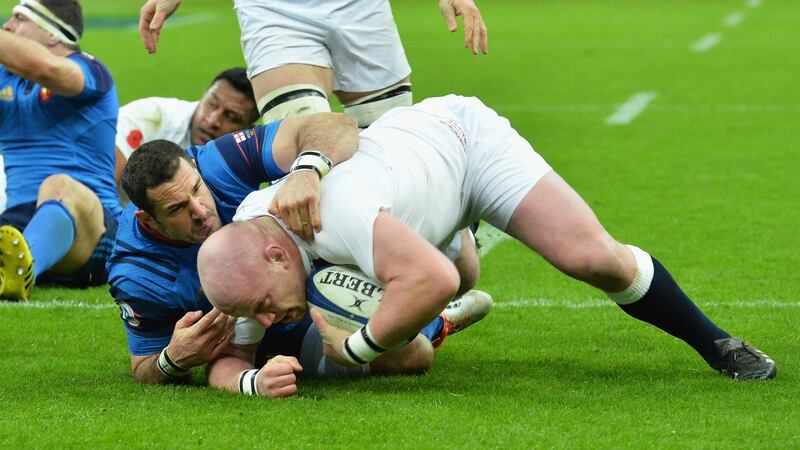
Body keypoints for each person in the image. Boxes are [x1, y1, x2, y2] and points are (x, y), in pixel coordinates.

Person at [199, 95, 777, 382]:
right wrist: (250, 382)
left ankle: (719, 344)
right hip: (407, 191)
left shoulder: (331, 214)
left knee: (593, 259)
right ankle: (448, 228)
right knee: (435, 300)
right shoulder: (248, 265)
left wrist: (356, 350)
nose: (266, 319)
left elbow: (435, 281)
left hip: (464, 144)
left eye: (263, 308)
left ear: (278, 255)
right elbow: (234, 356)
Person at [108, 113, 490, 394]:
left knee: (464, 271)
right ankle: (435, 323)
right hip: (258, 321)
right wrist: (173, 360)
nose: (200, 210)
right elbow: (143, 368)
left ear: (194, 168)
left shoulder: (218, 163)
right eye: (177, 209)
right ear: (149, 219)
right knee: (413, 357)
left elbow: (337, 124)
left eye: (196, 189)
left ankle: (441, 241)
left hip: (305, 263)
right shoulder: (136, 268)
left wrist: (306, 169)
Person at [137, 0, 488, 127]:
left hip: (360, 8)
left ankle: (419, 266)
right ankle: (325, 273)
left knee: (389, 141)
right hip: (275, 10)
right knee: (305, 141)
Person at [0, 0, 119, 301]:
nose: (8, 27)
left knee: (58, 184)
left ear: (53, 33)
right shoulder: (6, 79)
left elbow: (44, 66)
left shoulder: (90, 70)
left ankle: (21, 268)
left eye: (19, 18)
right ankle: (14, 267)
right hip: (17, 223)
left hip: (91, 227)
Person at [113, 66, 259, 204]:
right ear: (204, 95)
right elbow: (100, 177)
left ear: (247, 130)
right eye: (212, 103)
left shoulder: (245, 167)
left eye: (231, 116)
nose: (212, 120)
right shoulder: (151, 116)